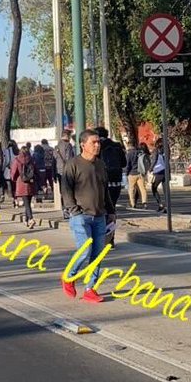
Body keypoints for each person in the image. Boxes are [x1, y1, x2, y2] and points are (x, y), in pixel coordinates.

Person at [60, 129, 114, 303]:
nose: (97, 145)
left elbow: (104, 190)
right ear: (83, 145)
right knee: (85, 251)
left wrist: (111, 211)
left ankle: (90, 288)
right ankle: (69, 276)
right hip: (80, 215)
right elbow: (66, 189)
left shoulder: (100, 165)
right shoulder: (73, 164)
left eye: (98, 142)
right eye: (94, 142)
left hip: (99, 215)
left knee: (97, 255)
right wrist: (73, 209)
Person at [96, 127, 126, 224]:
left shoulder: (98, 147)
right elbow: (124, 163)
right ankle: (111, 234)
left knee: (103, 207)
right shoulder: (117, 146)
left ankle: (103, 232)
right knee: (112, 207)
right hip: (117, 180)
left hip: (104, 180)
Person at [9, 148, 39, 229]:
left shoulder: (17, 160)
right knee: (28, 203)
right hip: (31, 183)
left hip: (21, 183)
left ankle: (31, 219)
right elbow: (36, 170)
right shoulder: (31, 159)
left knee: (26, 203)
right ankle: (26, 221)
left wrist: (14, 179)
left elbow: (14, 173)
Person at [125, 139, 149, 209]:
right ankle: (145, 203)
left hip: (132, 173)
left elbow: (128, 165)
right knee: (142, 189)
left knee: (131, 189)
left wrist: (126, 173)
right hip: (140, 173)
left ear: (129, 145)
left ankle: (132, 204)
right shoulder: (139, 153)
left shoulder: (129, 154)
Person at [150, 138, 168, 212]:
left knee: (154, 188)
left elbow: (154, 161)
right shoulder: (166, 150)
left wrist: (150, 169)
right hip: (165, 171)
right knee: (165, 190)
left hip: (158, 171)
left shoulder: (156, 150)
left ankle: (160, 204)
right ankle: (167, 207)